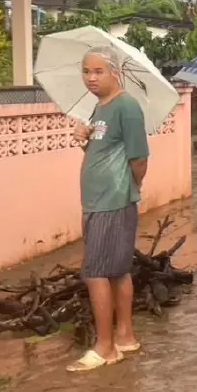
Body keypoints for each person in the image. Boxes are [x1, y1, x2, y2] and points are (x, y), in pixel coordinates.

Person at [68, 47, 149, 373]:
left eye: (98, 71)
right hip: (100, 200)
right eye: (86, 71)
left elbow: (139, 158)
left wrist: (130, 188)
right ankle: (125, 336)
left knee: (96, 272)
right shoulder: (100, 108)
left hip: (112, 201)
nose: (91, 77)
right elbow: (104, 150)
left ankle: (105, 347)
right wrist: (83, 138)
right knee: (116, 270)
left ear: (114, 72)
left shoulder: (126, 107)